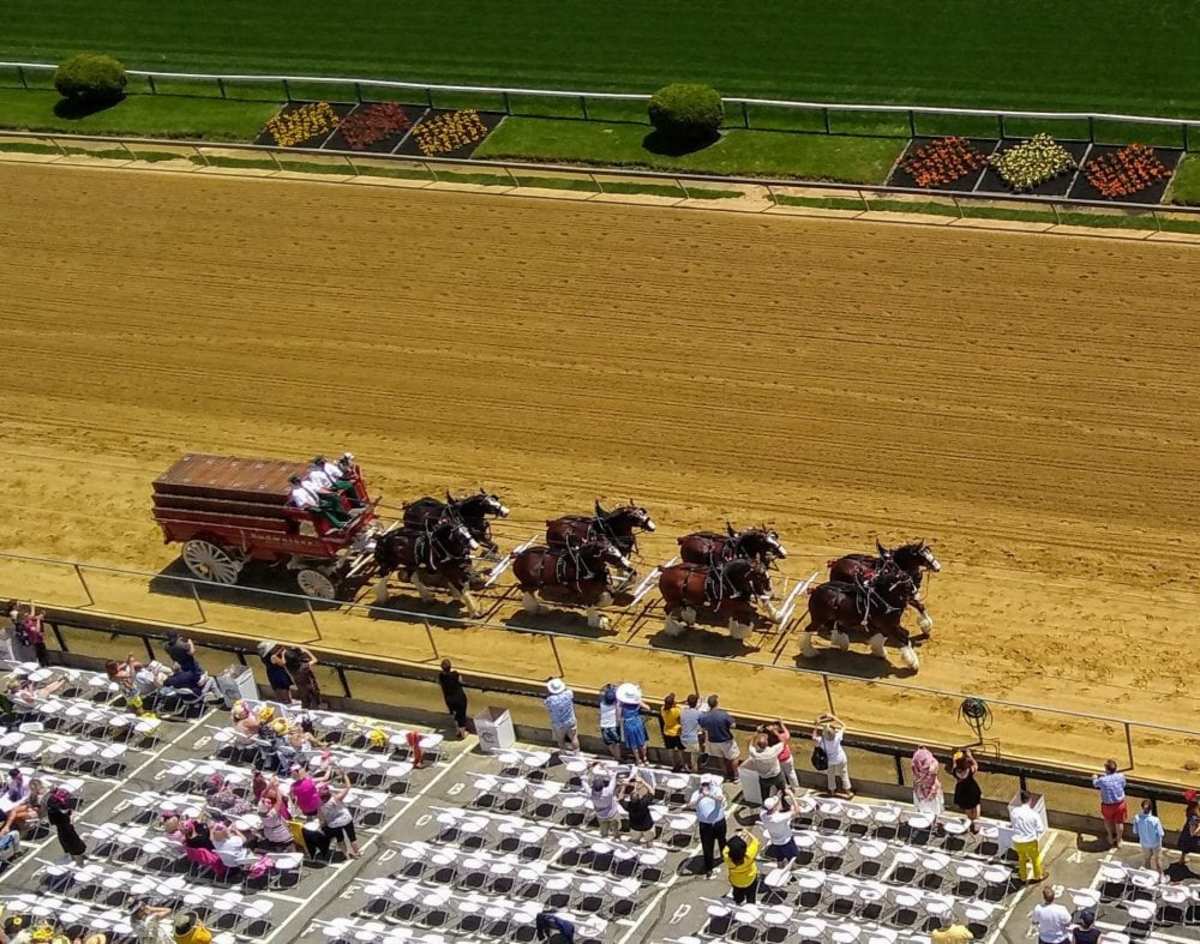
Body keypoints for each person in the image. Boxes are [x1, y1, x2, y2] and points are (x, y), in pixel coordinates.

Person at [689, 775, 728, 876]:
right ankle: (709, 867)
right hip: (705, 825)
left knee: (722, 840)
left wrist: (709, 795)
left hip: (719, 822)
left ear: (711, 783)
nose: (705, 786)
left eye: (707, 784)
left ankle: (725, 857)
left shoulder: (717, 790)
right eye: (703, 784)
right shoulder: (696, 794)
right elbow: (690, 805)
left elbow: (720, 799)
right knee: (707, 847)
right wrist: (700, 797)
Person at [697, 695, 739, 781]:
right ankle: (736, 776)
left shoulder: (704, 716)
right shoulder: (723, 714)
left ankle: (724, 775)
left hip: (713, 741)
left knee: (720, 759)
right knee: (734, 757)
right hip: (726, 741)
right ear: (717, 703)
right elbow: (733, 725)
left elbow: (703, 727)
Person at [318, 773, 360, 858]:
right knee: (352, 837)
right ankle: (357, 852)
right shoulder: (336, 798)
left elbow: (322, 819)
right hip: (346, 818)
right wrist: (345, 775)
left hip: (334, 824)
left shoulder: (319, 806)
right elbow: (348, 786)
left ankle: (346, 855)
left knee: (340, 839)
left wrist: (323, 824)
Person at [1010, 790, 1046, 883]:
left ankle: (1023, 876)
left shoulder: (1014, 812)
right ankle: (1038, 876)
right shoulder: (1034, 814)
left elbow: (1013, 824)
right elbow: (1041, 829)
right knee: (1035, 859)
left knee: (1021, 858)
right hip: (1030, 841)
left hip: (1018, 841)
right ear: (1030, 800)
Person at [812, 714, 851, 797]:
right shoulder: (837, 736)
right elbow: (844, 725)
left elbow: (813, 737)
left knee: (830, 775)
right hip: (840, 758)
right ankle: (848, 791)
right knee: (844, 773)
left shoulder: (821, 740)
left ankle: (832, 791)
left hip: (829, 760)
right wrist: (835, 718)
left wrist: (816, 725)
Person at [1092, 759, 1127, 848]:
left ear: (1107, 769)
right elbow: (1123, 785)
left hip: (1107, 805)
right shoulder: (1121, 776)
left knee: (1107, 820)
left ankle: (1111, 838)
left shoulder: (1103, 780)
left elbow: (1095, 784)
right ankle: (1119, 840)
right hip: (1119, 804)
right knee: (1119, 823)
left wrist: (1094, 777)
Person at [46, 788, 86, 865]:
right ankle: (80, 865)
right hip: (67, 830)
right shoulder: (60, 810)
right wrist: (71, 816)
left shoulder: (51, 804)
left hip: (62, 830)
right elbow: (66, 814)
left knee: (69, 847)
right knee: (76, 849)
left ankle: (74, 859)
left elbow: (54, 820)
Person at [747, 731, 787, 803]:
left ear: (758, 745)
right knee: (783, 792)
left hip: (764, 778)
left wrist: (755, 734)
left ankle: (766, 807)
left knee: (765, 795)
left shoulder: (755, 754)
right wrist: (776, 732)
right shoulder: (773, 751)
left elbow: (750, 745)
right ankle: (785, 804)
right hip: (776, 775)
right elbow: (783, 742)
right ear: (767, 743)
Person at [723, 829, 761, 904]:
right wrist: (747, 833)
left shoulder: (727, 858)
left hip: (736, 881)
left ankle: (738, 902)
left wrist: (737, 837)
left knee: (737, 894)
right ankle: (750, 905)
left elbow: (727, 847)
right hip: (750, 880)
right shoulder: (749, 855)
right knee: (751, 896)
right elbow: (756, 842)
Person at [436, 659, 471, 739]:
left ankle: (458, 731)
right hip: (459, 698)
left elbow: (439, 682)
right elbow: (461, 681)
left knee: (454, 714)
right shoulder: (455, 674)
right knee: (461, 714)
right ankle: (462, 733)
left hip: (449, 699)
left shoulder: (441, 676)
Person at [759, 795, 798, 866]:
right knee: (793, 860)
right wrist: (792, 796)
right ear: (774, 807)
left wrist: (778, 796)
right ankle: (792, 872)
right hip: (787, 842)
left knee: (779, 859)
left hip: (775, 842)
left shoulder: (762, 815)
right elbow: (797, 811)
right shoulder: (780, 817)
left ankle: (780, 870)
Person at [617, 683, 650, 766]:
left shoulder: (622, 705)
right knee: (642, 743)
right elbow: (648, 708)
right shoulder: (637, 703)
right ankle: (645, 759)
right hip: (637, 722)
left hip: (628, 724)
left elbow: (619, 716)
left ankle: (638, 760)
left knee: (633, 745)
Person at [544, 678, 579, 752]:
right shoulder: (568, 694)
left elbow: (547, 704)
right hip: (570, 721)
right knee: (573, 738)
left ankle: (563, 752)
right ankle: (577, 753)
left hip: (558, 724)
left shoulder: (550, 700)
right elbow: (567, 689)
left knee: (560, 739)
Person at [951, 749, 982, 832]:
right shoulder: (969, 770)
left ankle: (971, 822)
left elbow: (955, 763)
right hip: (971, 789)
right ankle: (976, 824)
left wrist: (956, 758)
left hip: (961, 791)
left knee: (967, 807)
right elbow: (976, 765)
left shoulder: (955, 771)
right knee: (976, 804)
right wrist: (970, 756)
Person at [1132, 799, 1165, 877]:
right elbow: (1161, 833)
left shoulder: (1137, 818)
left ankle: (1147, 876)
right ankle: (1161, 877)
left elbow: (1135, 831)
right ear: (1151, 808)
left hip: (1144, 843)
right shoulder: (1155, 820)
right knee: (1158, 861)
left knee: (1147, 860)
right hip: (1155, 843)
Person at [622, 771, 656, 844]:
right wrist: (643, 782)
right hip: (647, 826)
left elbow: (620, 798)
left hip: (635, 827)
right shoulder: (643, 803)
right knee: (649, 841)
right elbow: (652, 792)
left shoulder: (628, 806)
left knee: (634, 841)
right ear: (640, 797)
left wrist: (624, 786)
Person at [590, 765, 622, 838]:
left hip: (600, 814)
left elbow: (584, 783)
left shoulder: (590, 794)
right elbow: (613, 778)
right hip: (612, 813)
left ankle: (604, 836)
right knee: (615, 827)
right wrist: (607, 769)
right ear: (603, 786)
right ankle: (616, 836)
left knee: (603, 827)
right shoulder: (609, 791)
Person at [912, 746, 944, 815]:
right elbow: (933, 777)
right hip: (932, 792)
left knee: (922, 811)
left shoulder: (915, 765)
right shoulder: (933, 764)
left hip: (920, 792)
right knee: (935, 812)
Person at [768, 720, 799, 792]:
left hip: (778, 761)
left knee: (781, 775)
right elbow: (787, 733)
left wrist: (772, 731)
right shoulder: (784, 737)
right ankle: (795, 787)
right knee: (791, 772)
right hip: (787, 758)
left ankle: (784, 788)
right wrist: (782, 724)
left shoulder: (770, 740)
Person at [659, 692, 686, 771]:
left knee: (671, 751)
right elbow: (680, 709)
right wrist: (678, 703)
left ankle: (674, 765)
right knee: (681, 751)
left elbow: (668, 705)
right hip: (676, 732)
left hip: (667, 732)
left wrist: (674, 702)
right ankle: (683, 766)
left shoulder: (662, 709)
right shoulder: (676, 710)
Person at [679, 693, 704, 773]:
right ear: (696, 703)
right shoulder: (698, 713)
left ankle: (686, 769)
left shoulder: (682, 712)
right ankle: (694, 776)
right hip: (692, 740)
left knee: (687, 757)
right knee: (694, 762)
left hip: (683, 739)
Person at [598, 684, 622, 761]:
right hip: (614, 726)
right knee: (617, 744)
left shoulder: (602, 704)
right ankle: (618, 758)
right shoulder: (616, 705)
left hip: (604, 726)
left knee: (609, 744)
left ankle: (615, 757)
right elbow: (618, 714)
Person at [1179, 790, 1200, 870]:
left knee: (1184, 847)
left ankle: (1182, 859)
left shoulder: (1190, 808)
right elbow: (1193, 833)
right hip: (1193, 836)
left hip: (1186, 832)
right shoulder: (1194, 815)